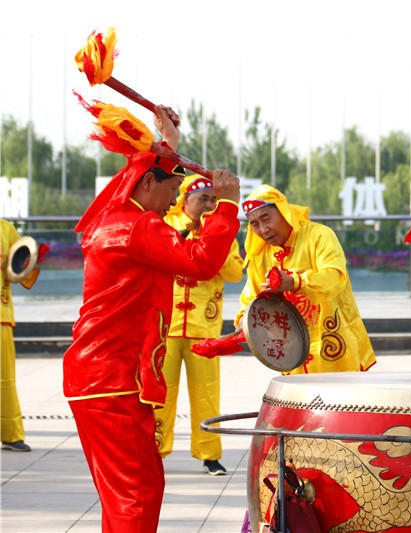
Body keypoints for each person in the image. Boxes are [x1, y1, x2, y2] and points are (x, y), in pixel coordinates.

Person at [62, 105, 241, 532]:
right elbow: (201, 262)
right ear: (146, 183)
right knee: (136, 494)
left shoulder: (115, 220)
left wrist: (168, 144)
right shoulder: (138, 227)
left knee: (127, 492)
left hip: (100, 377)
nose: (176, 199)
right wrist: (229, 206)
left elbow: (147, 170)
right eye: (172, 189)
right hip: (113, 378)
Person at [154, 174, 244, 476]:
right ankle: (155, 450)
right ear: (186, 199)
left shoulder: (220, 228)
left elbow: (234, 273)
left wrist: (213, 246)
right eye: (202, 198)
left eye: (212, 198)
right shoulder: (166, 223)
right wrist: (185, 234)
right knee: (159, 391)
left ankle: (210, 454)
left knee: (207, 392)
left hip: (203, 325)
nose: (208, 203)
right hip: (165, 325)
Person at [235, 184, 375, 374]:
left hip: (334, 348)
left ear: (284, 212)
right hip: (292, 353)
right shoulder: (261, 255)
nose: (263, 229)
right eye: (255, 224)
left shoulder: (319, 235)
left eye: (266, 218)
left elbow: (335, 277)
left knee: (338, 401)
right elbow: (251, 297)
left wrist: (295, 282)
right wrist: (243, 322)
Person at [0, 219, 40, 452]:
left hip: (1, 315)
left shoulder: (6, 229)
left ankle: (11, 434)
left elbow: (22, 269)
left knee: (4, 380)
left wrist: (30, 261)